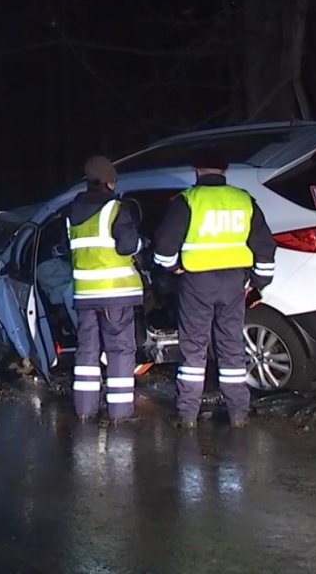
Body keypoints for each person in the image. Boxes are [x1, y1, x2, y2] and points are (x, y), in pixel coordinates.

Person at [152, 148, 276, 429]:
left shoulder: (188, 201)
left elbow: (164, 248)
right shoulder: (243, 200)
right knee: (231, 347)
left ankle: (187, 415)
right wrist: (257, 283)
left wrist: (173, 269)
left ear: (196, 170)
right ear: (225, 170)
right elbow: (265, 247)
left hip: (197, 283)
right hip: (234, 283)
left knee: (194, 349)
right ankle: (239, 413)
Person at [67, 155, 144, 423]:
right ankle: (120, 414)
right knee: (120, 350)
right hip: (115, 293)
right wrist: (141, 245)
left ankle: (85, 410)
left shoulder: (73, 209)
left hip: (84, 295)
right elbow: (126, 246)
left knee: (87, 350)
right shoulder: (115, 208)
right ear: (110, 181)